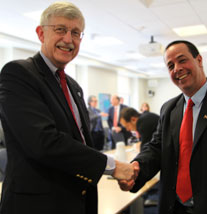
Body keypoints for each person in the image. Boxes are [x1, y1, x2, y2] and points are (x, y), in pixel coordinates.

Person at [0, 2, 136, 214]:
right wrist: (113, 167)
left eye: (76, 33)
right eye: (60, 29)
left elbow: (81, 141)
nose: (68, 39)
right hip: (38, 205)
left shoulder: (73, 86)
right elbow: (44, 142)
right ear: (40, 33)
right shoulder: (18, 73)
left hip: (78, 200)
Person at [118, 40, 207, 214]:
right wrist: (137, 168)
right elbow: (157, 148)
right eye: (170, 65)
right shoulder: (169, 109)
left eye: (182, 60)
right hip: (175, 207)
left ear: (199, 60)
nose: (177, 69)